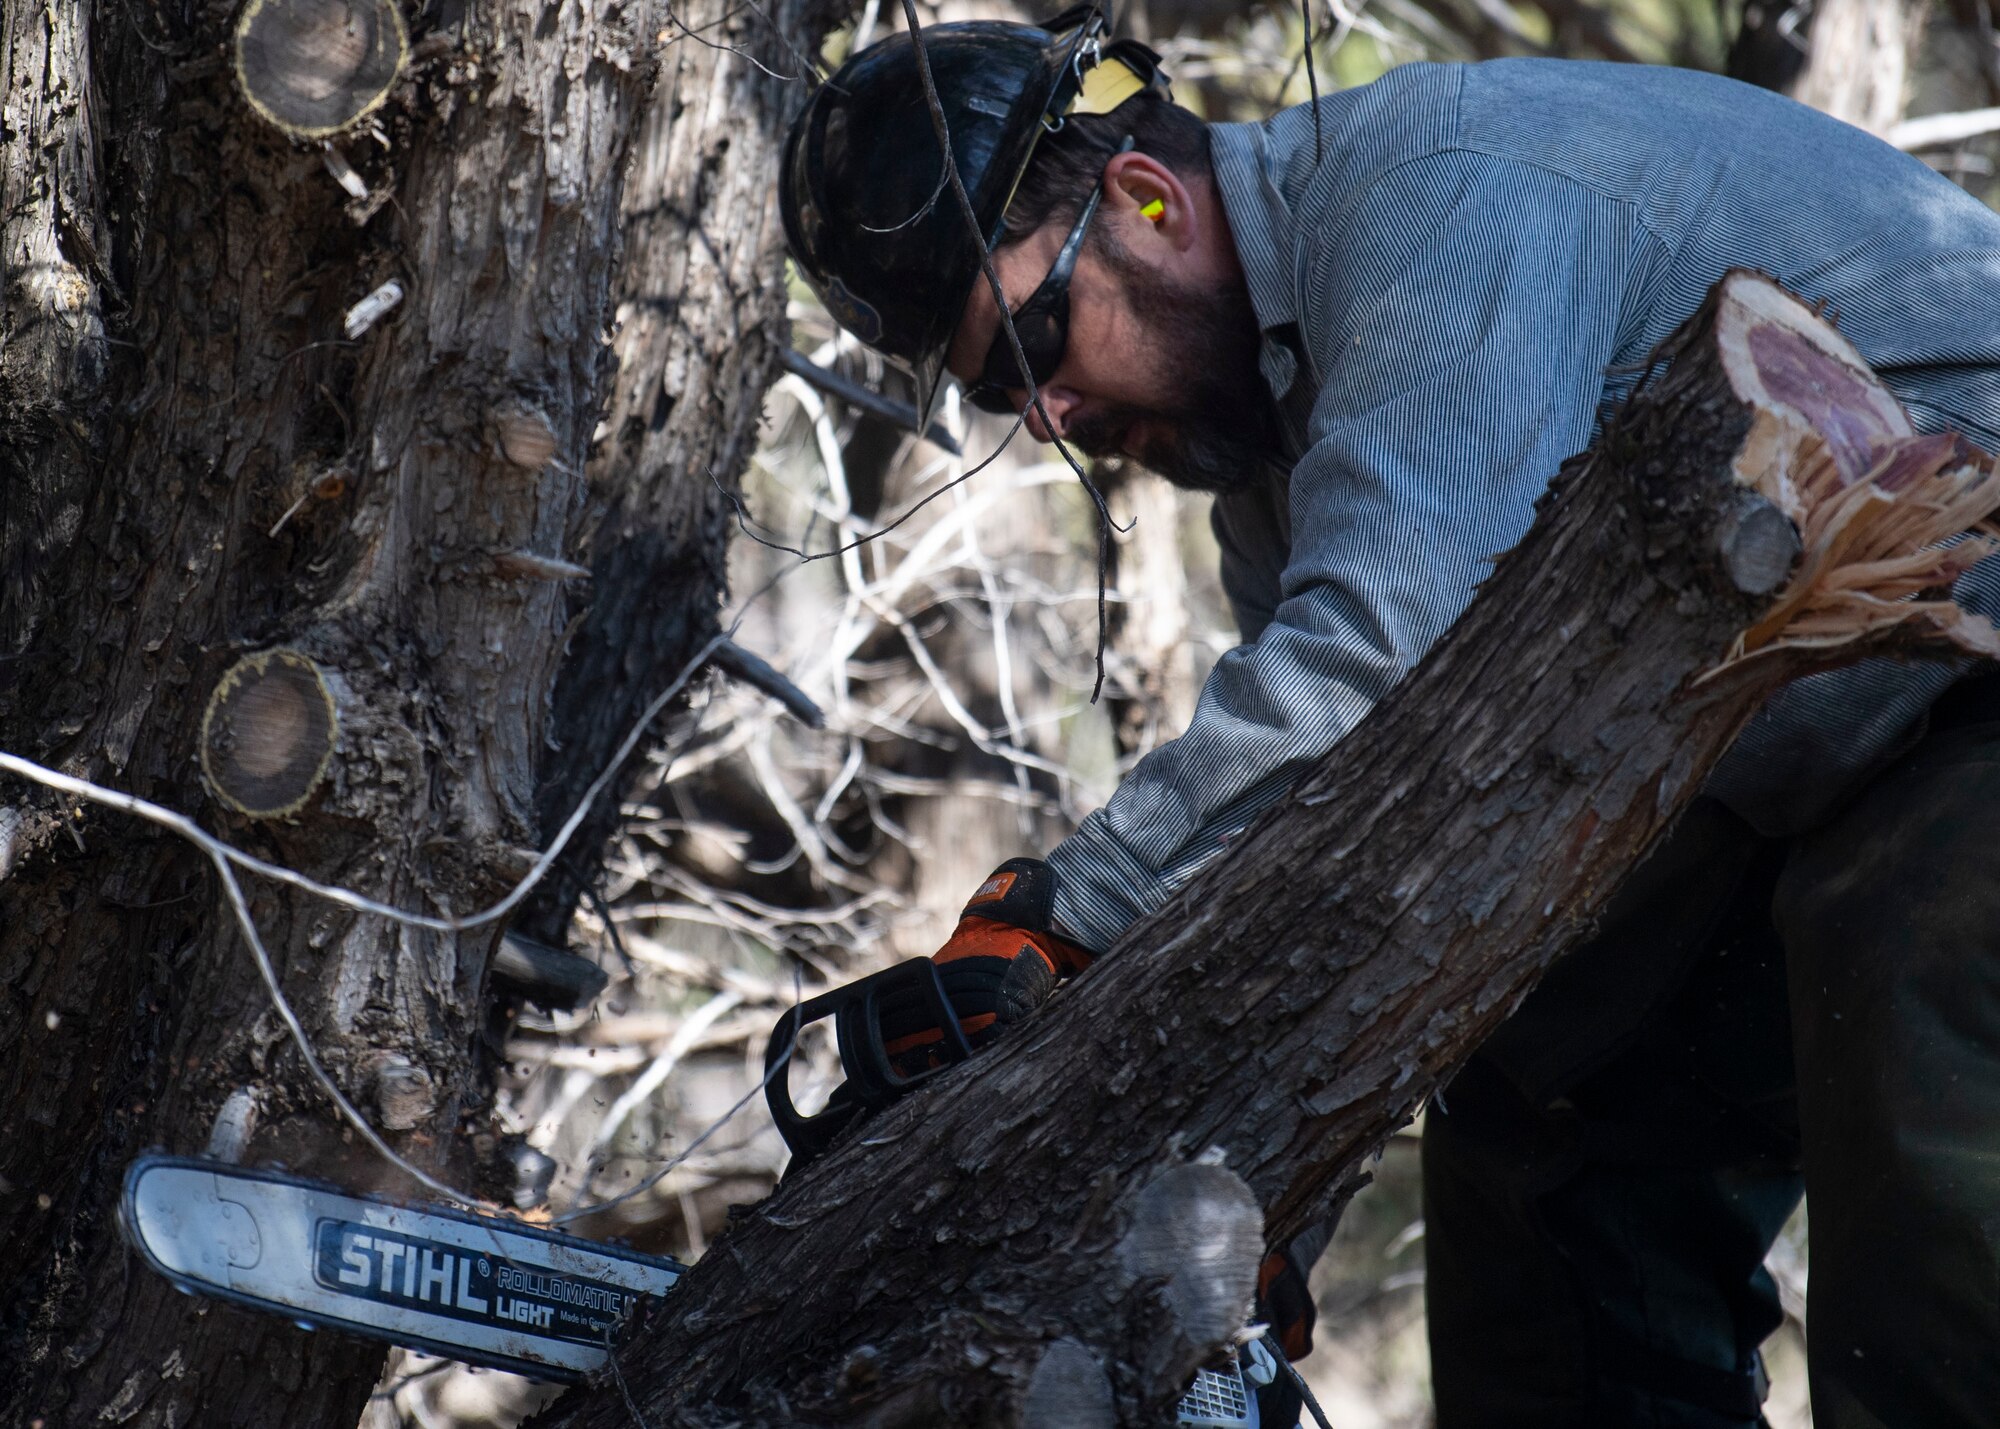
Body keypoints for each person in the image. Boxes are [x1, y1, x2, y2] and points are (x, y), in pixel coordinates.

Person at [779, 9, 2000, 1426]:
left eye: (1036, 340)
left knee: (1912, 1005)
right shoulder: (1275, 472)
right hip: (1819, 762)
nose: (1047, 414)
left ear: (1148, 200)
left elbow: (1377, 649)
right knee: (1539, 1125)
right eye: (1000, 394)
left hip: (1967, 698)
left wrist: (1060, 911)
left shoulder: (1434, 190)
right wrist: (1263, 1185)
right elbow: (1358, 847)